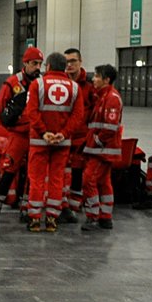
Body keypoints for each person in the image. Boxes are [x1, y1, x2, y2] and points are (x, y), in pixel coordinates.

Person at [24, 52, 86, 232]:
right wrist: (63, 134)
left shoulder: (38, 84)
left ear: (48, 67)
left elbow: (32, 112)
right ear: (64, 67)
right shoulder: (74, 88)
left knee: (36, 179)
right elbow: (78, 116)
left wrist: (44, 133)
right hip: (62, 143)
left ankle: (34, 218)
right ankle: (52, 218)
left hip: (39, 141)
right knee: (57, 179)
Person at [0, 48, 41, 210]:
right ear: (26, 63)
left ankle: (26, 203)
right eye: (34, 63)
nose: (37, 67)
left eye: (40, 64)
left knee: (32, 171)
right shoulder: (13, 83)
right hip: (18, 134)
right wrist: (9, 126)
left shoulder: (40, 83)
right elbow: (0, 109)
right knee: (9, 167)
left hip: (36, 134)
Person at [78, 64, 123, 231]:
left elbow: (110, 127)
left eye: (97, 76)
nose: (93, 79)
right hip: (100, 149)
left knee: (88, 180)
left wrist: (97, 141)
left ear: (106, 79)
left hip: (102, 150)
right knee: (104, 182)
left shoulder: (111, 98)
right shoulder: (101, 97)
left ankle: (93, 216)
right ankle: (105, 217)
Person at [59, 47, 95, 222]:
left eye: (73, 61)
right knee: (62, 173)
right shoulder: (61, 85)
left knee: (78, 174)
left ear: (80, 62)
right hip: (63, 138)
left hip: (82, 140)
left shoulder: (90, 87)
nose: (69, 65)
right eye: (66, 62)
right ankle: (64, 206)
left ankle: (74, 206)